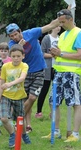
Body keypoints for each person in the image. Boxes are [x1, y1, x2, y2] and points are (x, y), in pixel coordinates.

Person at [6, 19, 59, 133]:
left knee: (32, 97)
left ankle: (18, 118)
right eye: (11, 36)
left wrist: (63, 17)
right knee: (24, 99)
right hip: (23, 73)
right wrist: (19, 47)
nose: (14, 37)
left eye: (16, 34)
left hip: (39, 70)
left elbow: (50, 26)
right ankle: (27, 125)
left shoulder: (31, 33)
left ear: (20, 31)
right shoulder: (12, 44)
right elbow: (14, 59)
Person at [42, 9, 81, 142]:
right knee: (53, 102)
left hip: (72, 73)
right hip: (58, 72)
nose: (61, 24)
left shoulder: (79, 33)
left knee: (75, 103)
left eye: (63, 21)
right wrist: (55, 53)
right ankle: (56, 131)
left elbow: (80, 55)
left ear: (71, 19)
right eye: (60, 22)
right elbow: (61, 53)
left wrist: (61, 54)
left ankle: (75, 134)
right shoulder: (63, 35)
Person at [0, 44, 31, 148]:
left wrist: (9, 84)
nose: (16, 58)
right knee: (4, 119)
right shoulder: (5, 66)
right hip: (6, 96)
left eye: (18, 56)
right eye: (13, 56)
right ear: (10, 56)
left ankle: (23, 135)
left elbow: (22, 78)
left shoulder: (24, 66)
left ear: (23, 56)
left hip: (19, 97)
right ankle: (12, 135)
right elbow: (2, 84)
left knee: (20, 120)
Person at [35, 26, 61, 118]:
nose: (59, 28)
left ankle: (53, 112)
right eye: (57, 26)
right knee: (44, 89)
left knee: (56, 90)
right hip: (48, 67)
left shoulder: (60, 38)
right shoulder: (47, 38)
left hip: (57, 67)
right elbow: (41, 53)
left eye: (59, 26)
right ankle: (38, 111)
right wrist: (52, 55)